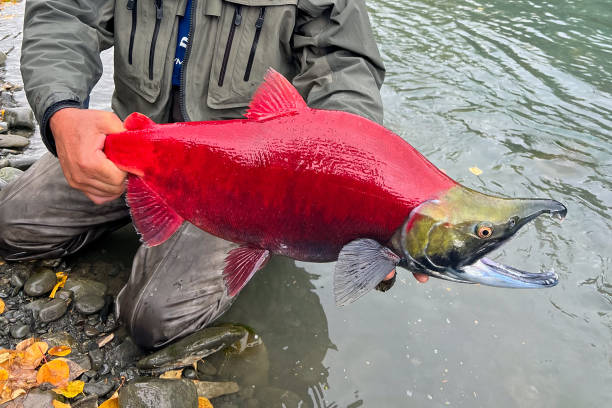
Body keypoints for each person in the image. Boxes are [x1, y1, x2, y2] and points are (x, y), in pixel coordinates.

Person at [0, 0, 427, 349]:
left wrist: (357, 195)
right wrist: (60, 111)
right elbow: (65, 13)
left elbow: (344, 65)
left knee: (151, 319)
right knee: (9, 225)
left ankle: (259, 237)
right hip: (133, 143)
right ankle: (142, 215)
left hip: (242, 183)